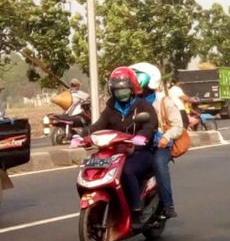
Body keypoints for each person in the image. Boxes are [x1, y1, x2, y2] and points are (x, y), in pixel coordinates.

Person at [73, 67, 157, 229]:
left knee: (127, 171)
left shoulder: (143, 106)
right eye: (117, 90)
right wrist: (81, 136)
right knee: (93, 167)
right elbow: (98, 125)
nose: (121, 93)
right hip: (116, 152)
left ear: (132, 89)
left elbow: (150, 124)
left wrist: (142, 136)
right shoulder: (111, 107)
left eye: (124, 89)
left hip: (139, 152)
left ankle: (137, 210)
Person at [131, 62, 182, 219]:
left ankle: (168, 205)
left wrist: (166, 137)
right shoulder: (131, 102)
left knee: (159, 165)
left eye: (137, 77)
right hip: (139, 145)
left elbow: (178, 127)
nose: (134, 81)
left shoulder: (163, 101)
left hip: (160, 145)